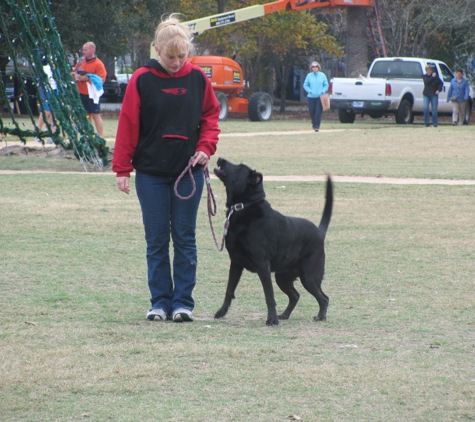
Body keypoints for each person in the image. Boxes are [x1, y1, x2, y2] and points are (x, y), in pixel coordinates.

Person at [112, 15, 220, 323]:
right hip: (151, 175)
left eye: (181, 56)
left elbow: (211, 118)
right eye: (169, 56)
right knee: (157, 239)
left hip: (189, 172)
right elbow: (128, 125)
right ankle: (159, 302)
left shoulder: (198, 78)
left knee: (185, 238)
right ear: (157, 50)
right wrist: (122, 169)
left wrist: (205, 148)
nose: (175, 62)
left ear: (188, 51)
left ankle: (183, 303)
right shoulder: (142, 79)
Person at [72, 42, 106, 137]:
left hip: (92, 94)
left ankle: (100, 136)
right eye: (83, 50)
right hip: (81, 92)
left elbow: (101, 80)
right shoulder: (81, 61)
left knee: (95, 114)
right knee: (86, 115)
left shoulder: (98, 64)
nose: (84, 52)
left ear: (92, 50)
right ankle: (89, 135)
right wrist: (76, 76)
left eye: (85, 50)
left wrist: (87, 78)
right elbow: (74, 72)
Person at [35, 56, 58, 144]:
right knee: (46, 111)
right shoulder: (46, 68)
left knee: (52, 112)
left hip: (54, 90)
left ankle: (53, 134)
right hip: (46, 89)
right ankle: (38, 132)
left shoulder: (56, 68)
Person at [303, 61, 329, 132]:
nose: (315, 68)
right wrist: (309, 90)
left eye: (316, 66)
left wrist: (323, 91)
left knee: (318, 111)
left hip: (320, 97)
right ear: (311, 68)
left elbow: (326, 85)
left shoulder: (322, 75)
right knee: (312, 111)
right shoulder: (309, 75)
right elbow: (305, 85)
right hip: (311, 96)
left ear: (318, 67)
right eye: (313, 66)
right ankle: (314, 123)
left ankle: (316, 126)